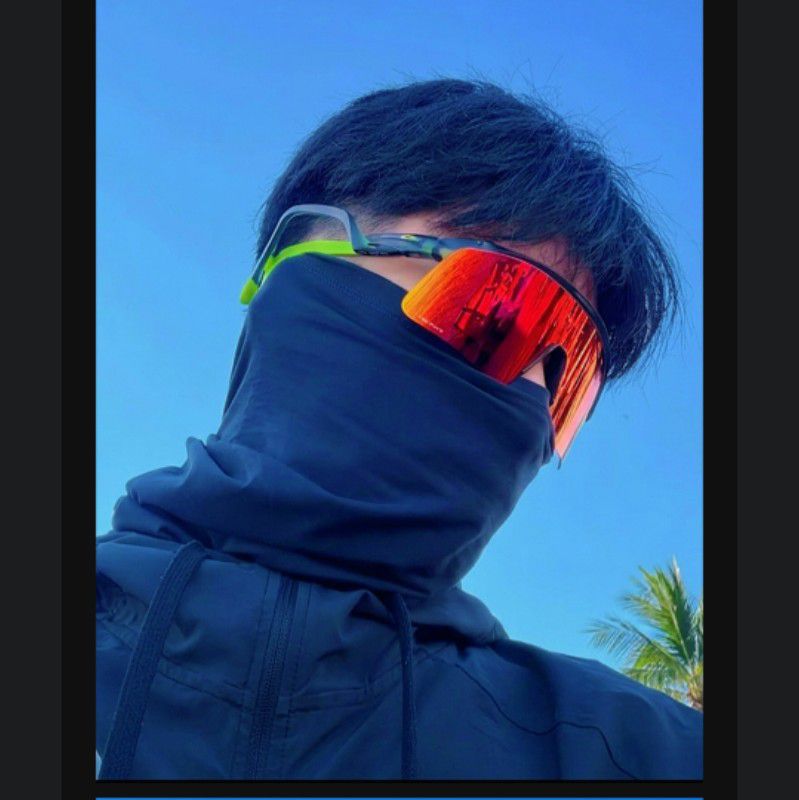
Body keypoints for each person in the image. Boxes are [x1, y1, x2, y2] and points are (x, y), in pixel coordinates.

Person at [96, 78, 702, 779]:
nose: (533, 398)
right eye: (499, 311)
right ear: (293, 262)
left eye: (571, 381)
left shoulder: (636, 756)